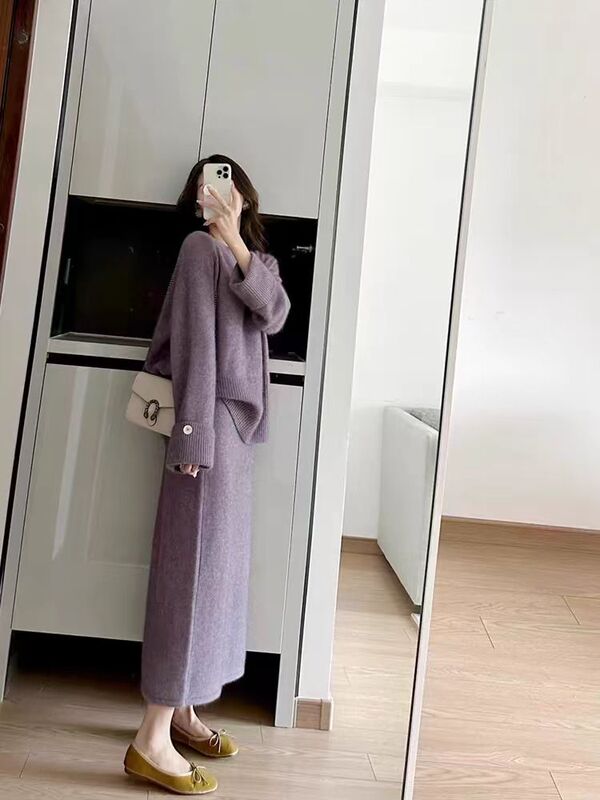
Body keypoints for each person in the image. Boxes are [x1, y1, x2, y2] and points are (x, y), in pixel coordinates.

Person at [123, 155, 290, 795]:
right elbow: (194, 345)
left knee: (212, 576)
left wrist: (237, 242)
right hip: (207, 429)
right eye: (202, 187)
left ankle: (184, 712)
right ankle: (151, 737)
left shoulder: (253, 262)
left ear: (241, 194)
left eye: (221, 183)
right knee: (188, 575)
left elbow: (275, 313)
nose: (210, 194)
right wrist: (192, 432)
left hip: (233, 437)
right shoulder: (197, 250)